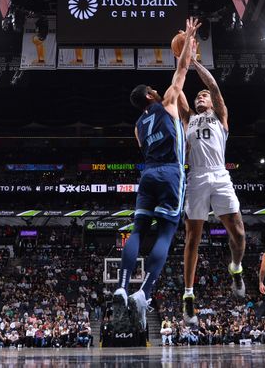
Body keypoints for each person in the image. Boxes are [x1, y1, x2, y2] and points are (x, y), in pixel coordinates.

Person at [113, 18, 200, 332]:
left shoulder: (137, 127)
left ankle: (122, 285)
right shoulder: (167, 101)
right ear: (151, 95)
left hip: (147, 175)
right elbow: (182, 71)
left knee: (137, 231)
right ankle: (143, 293)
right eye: (152, 88)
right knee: (165, 234)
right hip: (171, 173)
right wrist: (188, 38)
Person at [182, 58, 246, 325]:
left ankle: (236, 268)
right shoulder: (188, 120)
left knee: (239, 233)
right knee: (192, 239)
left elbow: (214, 86)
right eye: (198, 96)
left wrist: (195, 62)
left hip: (219, 174)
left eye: (203, 95)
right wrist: (182, 62)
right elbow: (177, 92)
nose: (200, 96)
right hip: (196, 176)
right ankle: (188, 296)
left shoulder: (220, 115)